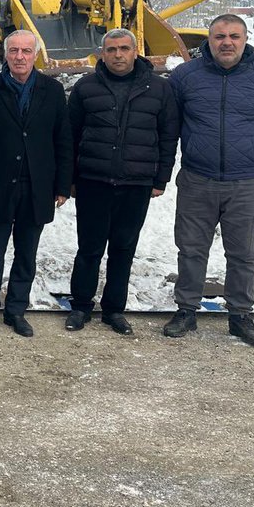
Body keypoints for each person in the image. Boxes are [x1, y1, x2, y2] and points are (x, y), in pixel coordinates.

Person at [163, 14, 254, 346]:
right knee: (191, 249)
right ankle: (186, 311)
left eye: (234, 36)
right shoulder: (185, 76)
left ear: (245, 39)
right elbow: (172, 121)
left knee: (244, 253)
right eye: (219, 36)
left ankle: (240, 316)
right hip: (197, 179)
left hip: (246, 183)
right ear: (209, 39)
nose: (227, 42)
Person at [66, 29, 179, 335]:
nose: (118, 55)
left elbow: (168, 137)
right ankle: (80, 306)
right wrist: (70, 179)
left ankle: (114, 309)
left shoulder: (158, 89)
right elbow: (70, 137)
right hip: (93, 180)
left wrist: (161, 178)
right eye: (112, 49)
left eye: (124, 49)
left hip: (136, 183)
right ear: (102, 53)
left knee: (123, 249)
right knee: (89, 248)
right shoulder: (86, 88)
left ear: (135, 51)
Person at [0, 30, 73, 338]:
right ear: (5, 54)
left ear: (35, 54)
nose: (20, 57)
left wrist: (62, 185)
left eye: (26, 51)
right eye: (14, 51)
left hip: (36, 185)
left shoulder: (51, 90)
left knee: (26, 252)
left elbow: (63, 139)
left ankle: (16, 310)